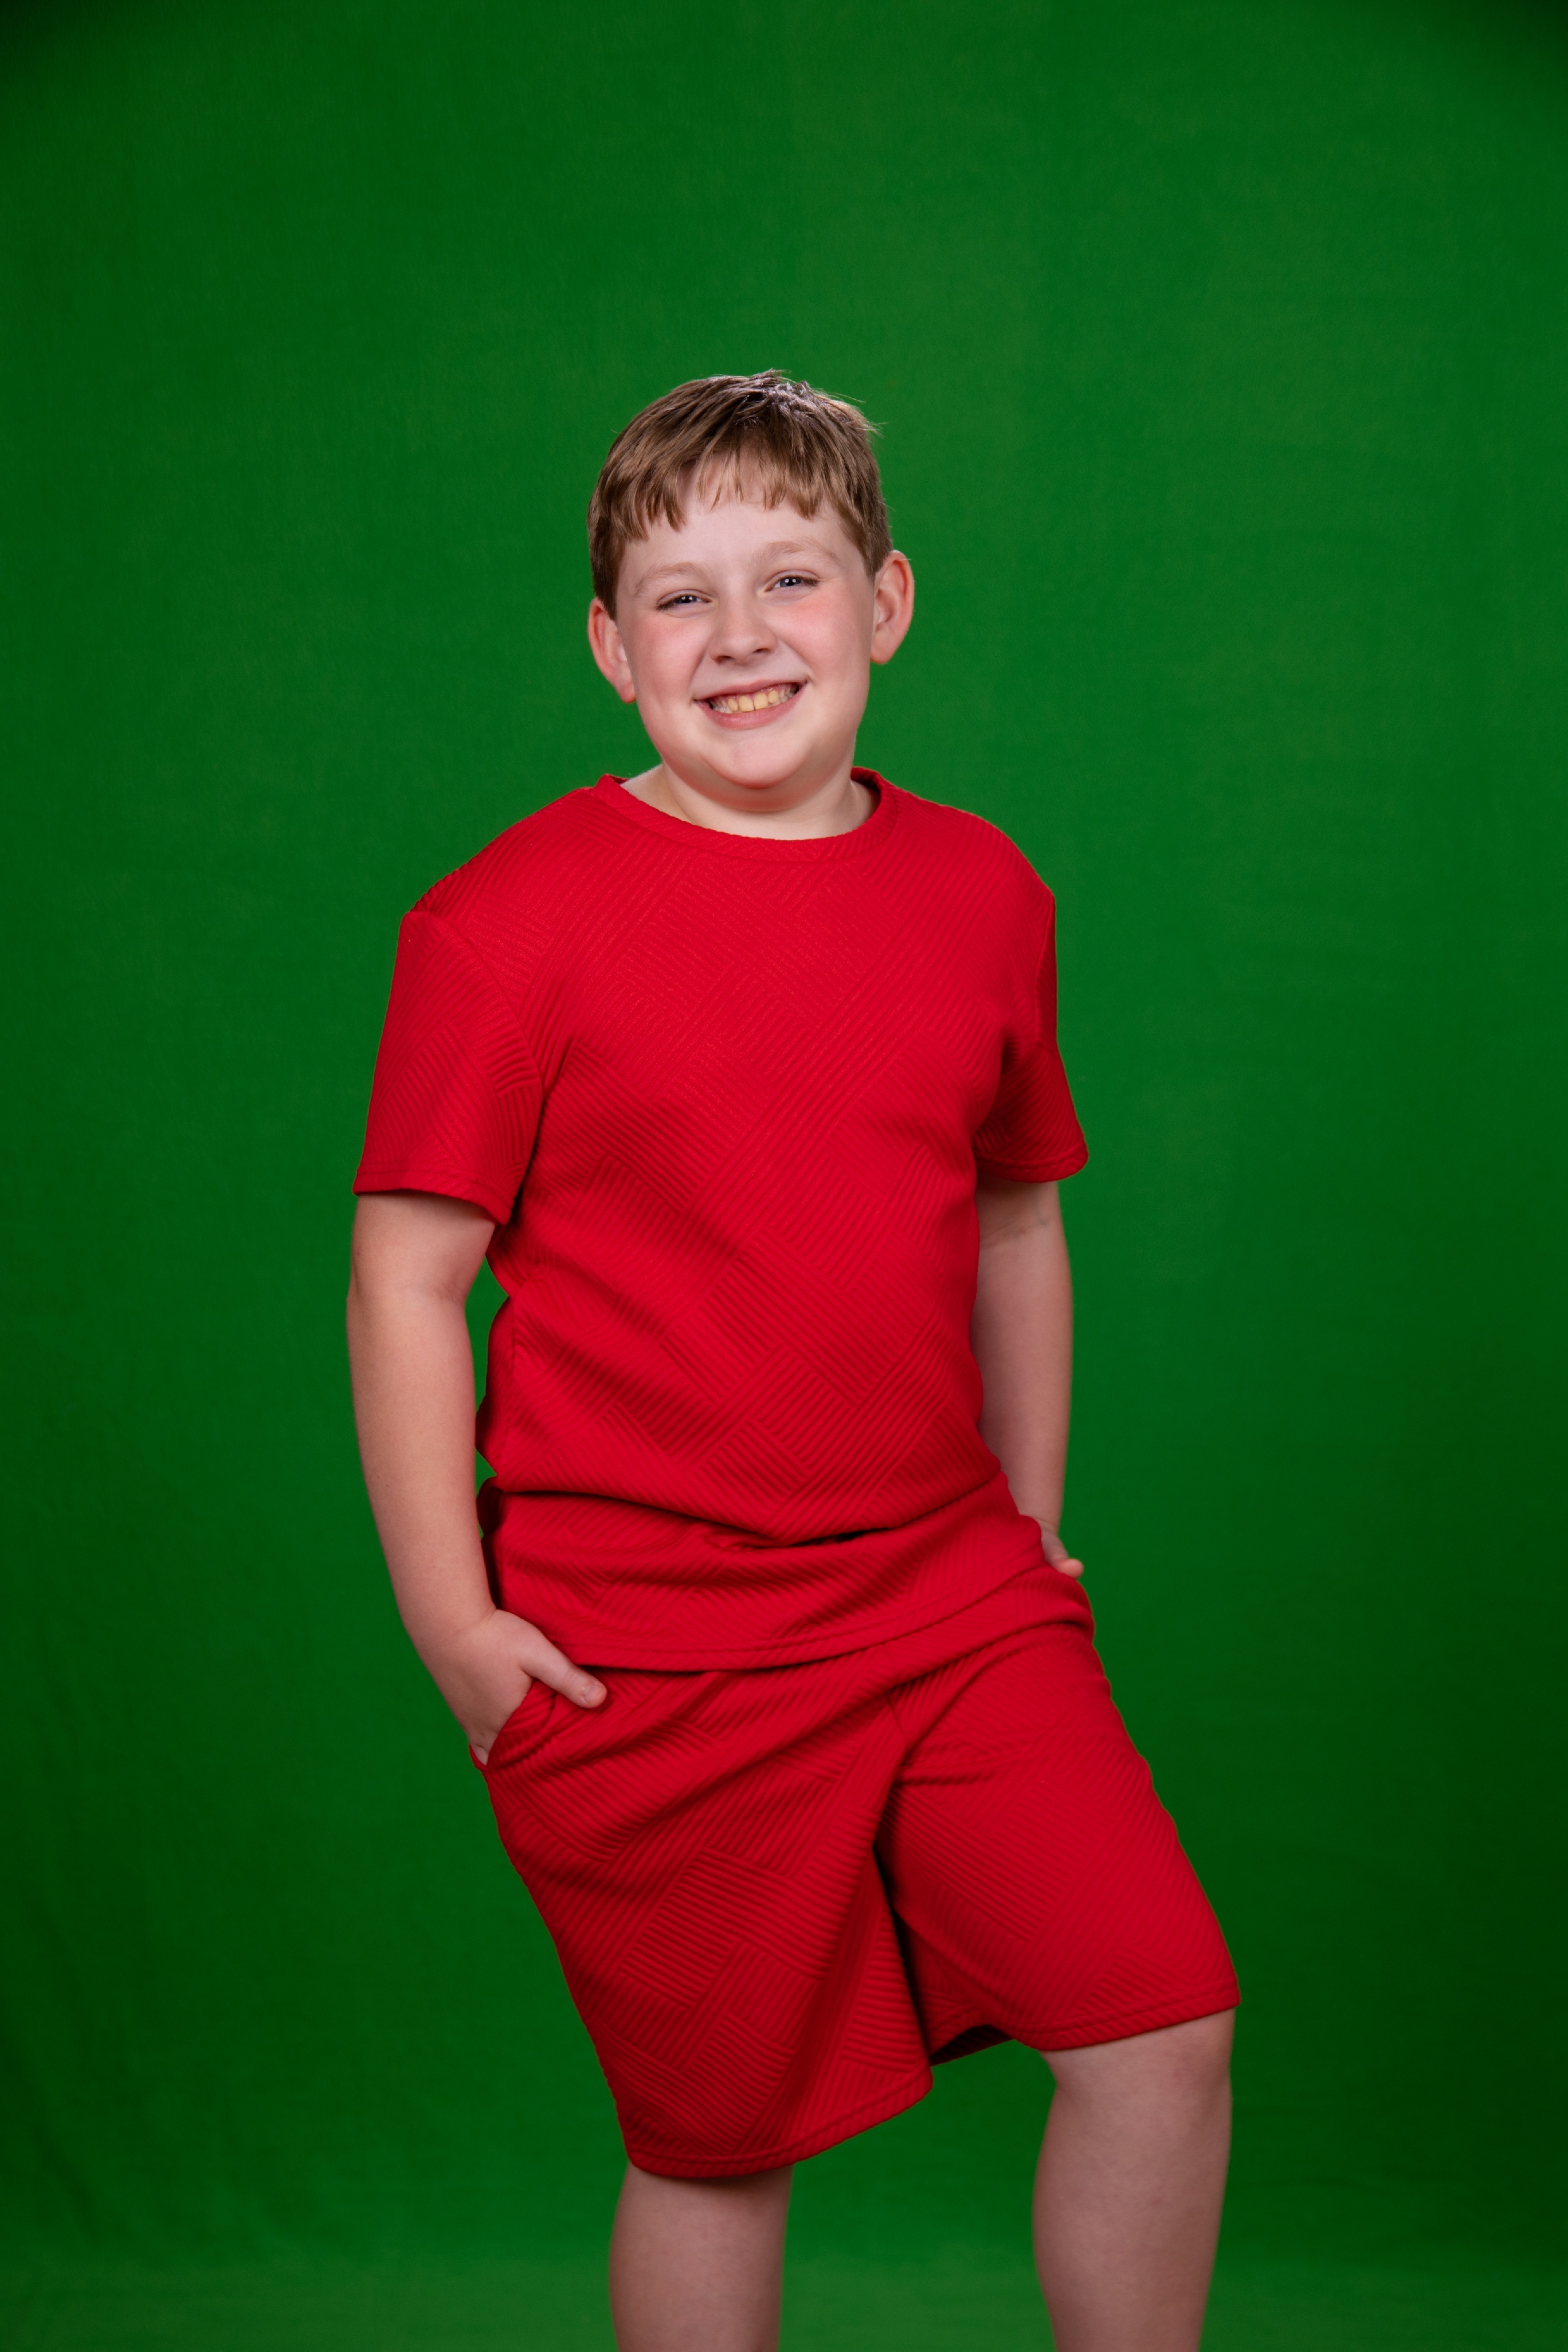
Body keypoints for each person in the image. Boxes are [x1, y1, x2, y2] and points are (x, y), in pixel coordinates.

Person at [347, 371, 1238, 2352]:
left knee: (1163, 2025)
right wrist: (454, 1625)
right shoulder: (504, 927)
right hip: (652, 1643)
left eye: (792, 577)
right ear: (611, 649)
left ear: (885, 604)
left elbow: (1014, 1221)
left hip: (949, 1595)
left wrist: (1029, 1518)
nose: (740, 635)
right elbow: (404, 1283)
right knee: (716, 2149)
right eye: (679, 597)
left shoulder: (984, 892)